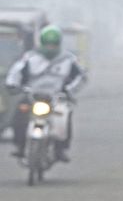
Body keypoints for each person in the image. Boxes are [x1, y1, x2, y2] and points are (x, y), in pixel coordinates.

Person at [5, 25, 87, 161]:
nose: (50, 48)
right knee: (19, 116)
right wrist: (12, 85)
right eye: (47, 44)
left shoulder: (68, 60)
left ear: (58, 44)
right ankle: (20, 146)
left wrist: (69, 90)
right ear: (41, 43)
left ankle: (60, 149)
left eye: (53, 45)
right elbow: (15, 73)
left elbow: (81, 77)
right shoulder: (30, 58)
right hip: (33, 95)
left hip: (57, 97)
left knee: (64, 118)